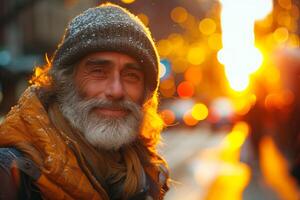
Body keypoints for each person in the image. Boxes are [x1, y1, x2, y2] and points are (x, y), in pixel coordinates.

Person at [0, 3, 169, 200]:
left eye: (131, 75)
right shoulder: (10, 175)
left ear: (145, 95)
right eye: (99, 72)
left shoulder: (149, 175)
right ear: (65, 81)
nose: (116, 90)